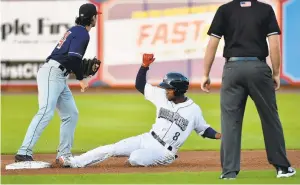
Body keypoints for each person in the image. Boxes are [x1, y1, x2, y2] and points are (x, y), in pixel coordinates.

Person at [57, 53, 222, 168]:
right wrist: (144, 67)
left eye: (168, 88)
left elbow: (204, 129)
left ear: (178, 90)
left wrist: (219, 135)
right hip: (147, 138)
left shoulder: (193, 110)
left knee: (135, 158)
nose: (165, 90)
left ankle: (143, 158)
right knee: (113, 148)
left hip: (165, 152)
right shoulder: (162, 96)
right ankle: (74, 162)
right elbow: (140, 85)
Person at [200, 0, 296, 179]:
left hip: (232, 69)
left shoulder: (224, 10)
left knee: (230, 122)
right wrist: (276, 73)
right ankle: (282, 168)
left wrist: (205, 73)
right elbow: (274, 44)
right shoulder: (265, 9)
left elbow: (212, 43)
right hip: (258, 67)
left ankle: (229, 172)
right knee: (270, 119)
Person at [15, 3, 101, 162]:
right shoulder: (82, 33)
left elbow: (70, 59)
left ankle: (64, 154)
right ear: (92, 18)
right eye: (96, 15)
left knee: (71, 114)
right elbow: (74, 58)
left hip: (59, 75)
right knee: (46, 111)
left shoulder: (75, 30)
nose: (97, 18)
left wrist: (80, 70)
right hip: (52, 73)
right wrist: (82, 78)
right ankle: (24, 151)